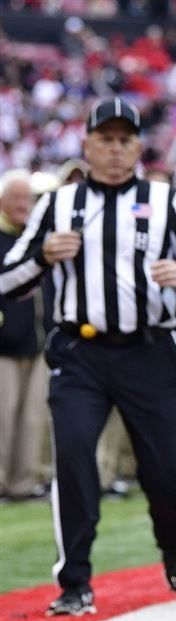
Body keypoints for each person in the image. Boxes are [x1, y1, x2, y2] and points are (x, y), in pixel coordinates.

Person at [0, 97, 176, 615]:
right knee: (75, 461)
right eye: (106, 139)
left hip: (150, 353)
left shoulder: (167, 201)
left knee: (166, 474)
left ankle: (172, 541)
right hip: (80, 354)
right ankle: (74, 582)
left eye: (125, 140)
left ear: (139, 147)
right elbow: (6, 279)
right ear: (87, 145)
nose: (116, 150)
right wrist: (42, 256)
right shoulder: (57, 204)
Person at [0, 169, 49, 502]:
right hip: (3, 345)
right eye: (16, 198)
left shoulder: (34, 239)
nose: (22, 204)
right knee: (2, 417)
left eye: (27, 199)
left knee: (32, 419)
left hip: (36, 343)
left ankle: (23, 483)